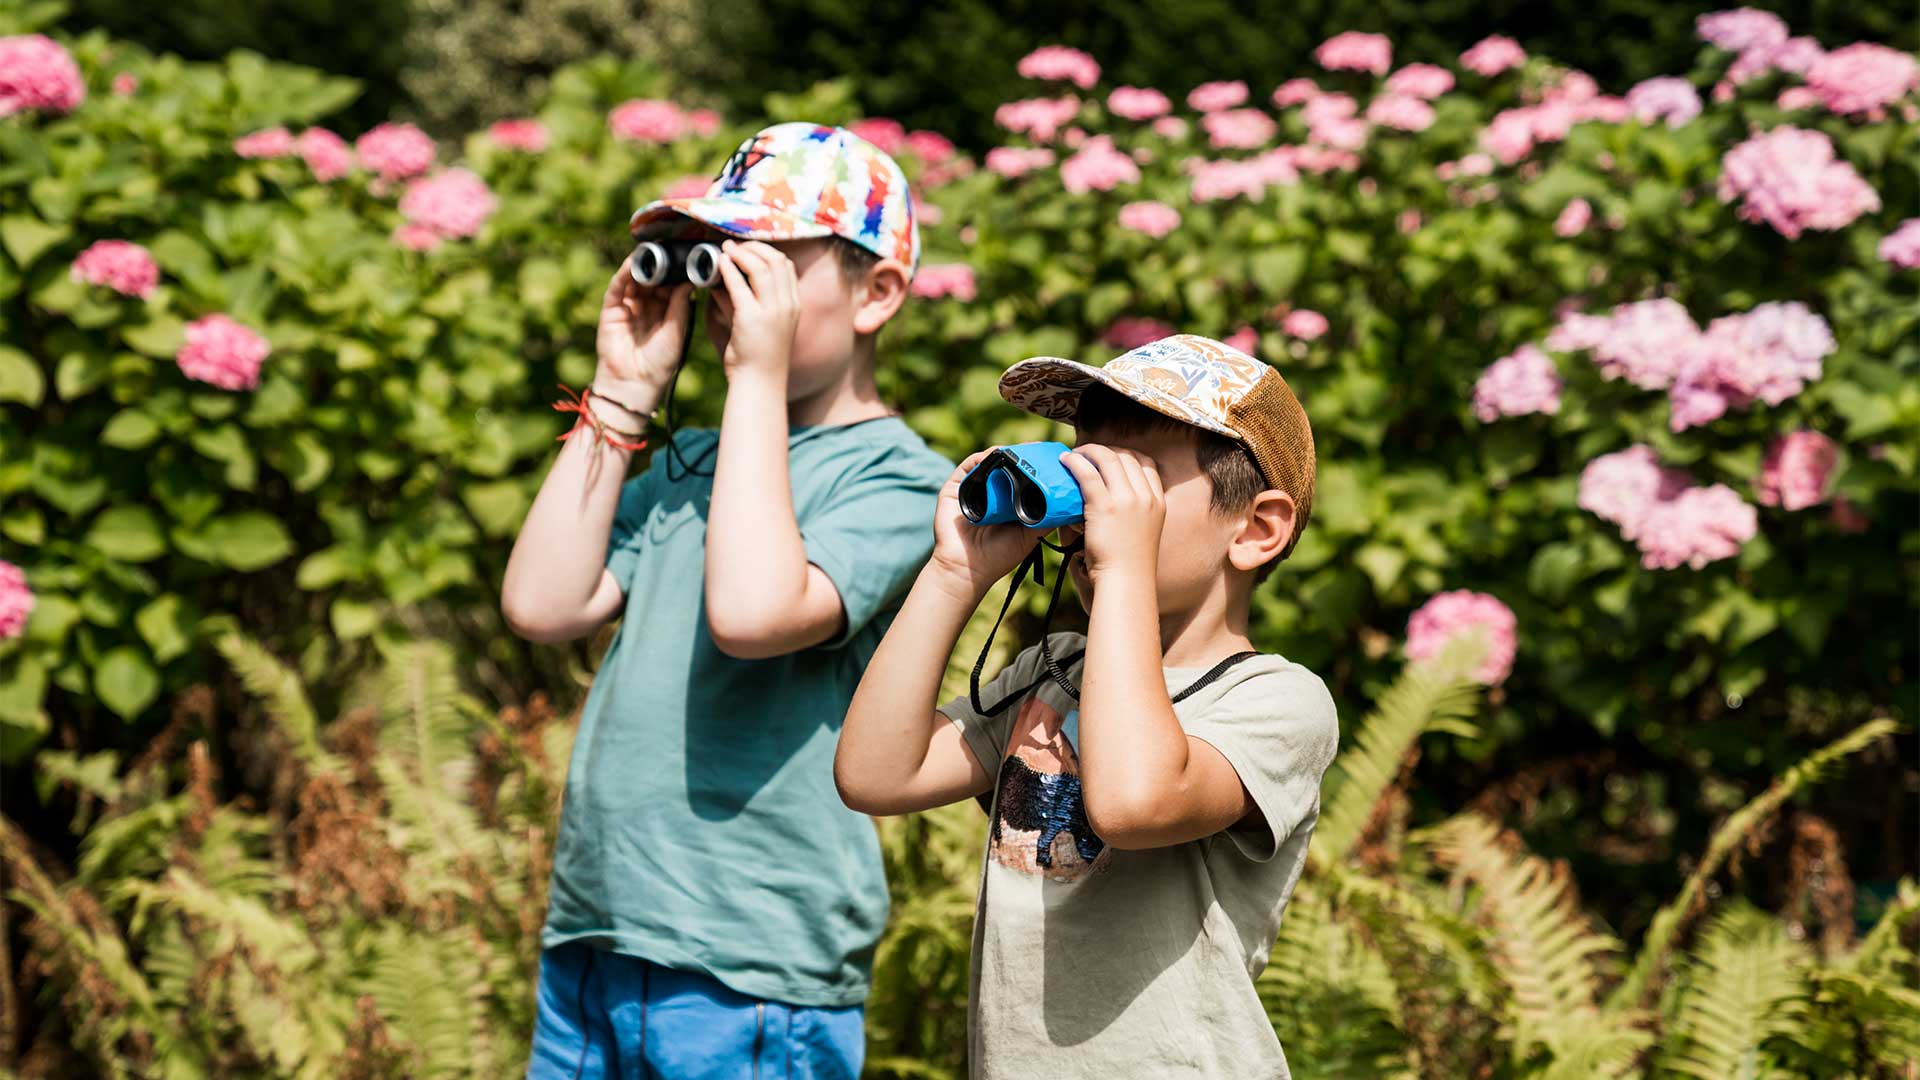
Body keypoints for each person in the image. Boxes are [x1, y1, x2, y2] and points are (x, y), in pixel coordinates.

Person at [502, 121, 952, 1079]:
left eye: (769, 261)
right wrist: (622, 391)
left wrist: (757, 373)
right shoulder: (693, 459)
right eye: (714, 257)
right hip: (601, 929)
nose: (727, 287)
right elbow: (544, 602)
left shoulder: (901, 481)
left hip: (753, 962)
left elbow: (754, 616)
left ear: (878, 294)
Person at [836, 333, 1341, 1078]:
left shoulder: (1277, 701)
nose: (1094, 503)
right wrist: (953, 571)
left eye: (1135, 478)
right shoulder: (1054, 671)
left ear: (1257, 529)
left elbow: (1133, 803)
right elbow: (877, 775)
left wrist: (1124, 564)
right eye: (1084, 466)